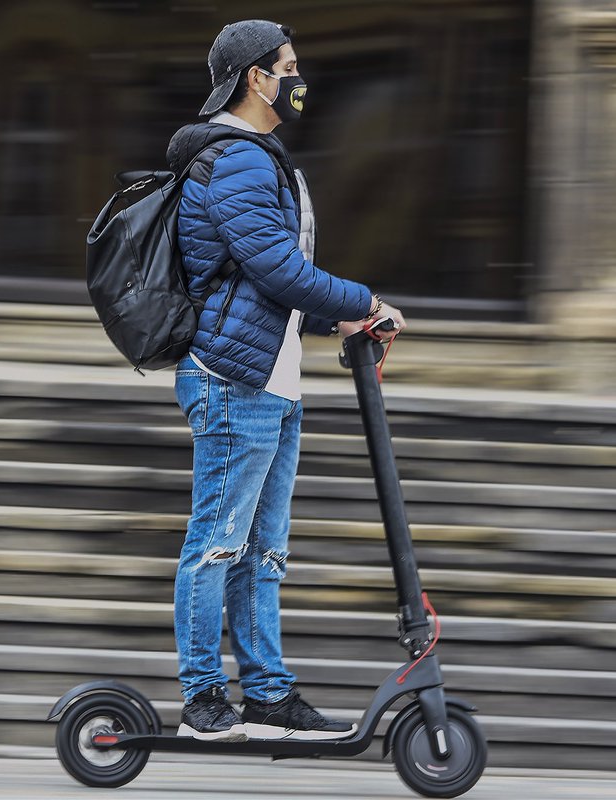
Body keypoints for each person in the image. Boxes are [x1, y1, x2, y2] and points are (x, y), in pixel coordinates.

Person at [164, 20, 406, 742]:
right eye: (289, 67)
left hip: (271, 378)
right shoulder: (236, 159)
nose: (300, 80)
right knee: (216, 542)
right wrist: (364, 302)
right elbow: (276, 269)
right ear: (254, 78)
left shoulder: (262, 157)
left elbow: (266, 283)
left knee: (263, 549)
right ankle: (206, 697)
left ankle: (267, 692)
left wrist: (335, 322)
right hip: (233, 380)